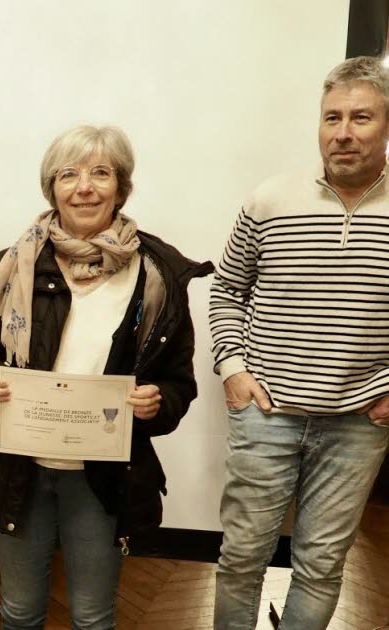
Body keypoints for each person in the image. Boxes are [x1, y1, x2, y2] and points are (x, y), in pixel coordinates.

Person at [0, 124, 210, 630]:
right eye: (68, 175)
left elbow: (179, 383)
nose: (85, 188)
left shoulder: (156, 273)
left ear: (121, 186)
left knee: (93, 617)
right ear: (52, 187)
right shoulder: (15, 264)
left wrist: (157, 401)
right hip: (18, 468)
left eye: (101, 173)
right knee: (19, 612)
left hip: (104, 473)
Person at [210, 55, 389, 630]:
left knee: (320, 566)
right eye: (331, 117)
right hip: (267, 414)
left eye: (361, 117)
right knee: (241, 560)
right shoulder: (270, 200)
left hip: (358, 422)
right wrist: (234, 370)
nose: (343, 133)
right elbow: (226, 290)